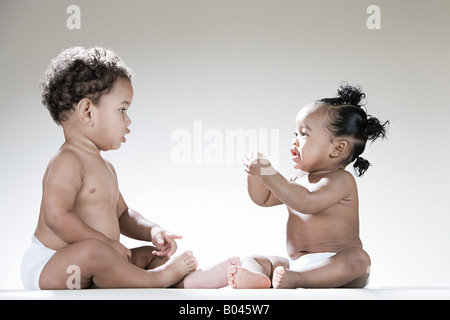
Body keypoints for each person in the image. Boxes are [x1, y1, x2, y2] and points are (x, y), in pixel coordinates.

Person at [21, 46, 239, 290]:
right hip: (50, 264)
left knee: (149, 254)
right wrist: (105, 242)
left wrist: (153, 231)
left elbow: (123, 215)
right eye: (122, 110)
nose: (128, 120)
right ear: (87, 112)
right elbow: (56, 217)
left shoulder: (106, 167)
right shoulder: (67, 161)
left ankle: (189, 281)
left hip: (98, 261)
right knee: (94, 252)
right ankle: (156, 280)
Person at [227, 84, 389, 288]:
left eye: (304, 134)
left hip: (337, 266)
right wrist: (256, 176)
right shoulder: (297, 179)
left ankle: (300, 280)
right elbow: (264, 199)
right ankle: (258, 278)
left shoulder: (340, 180)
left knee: (359, 259)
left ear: (337, 148)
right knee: (254, 259)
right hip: (297, 264)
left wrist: (268, 173)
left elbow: (307, 202)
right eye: (295, 134)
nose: (295, 141)